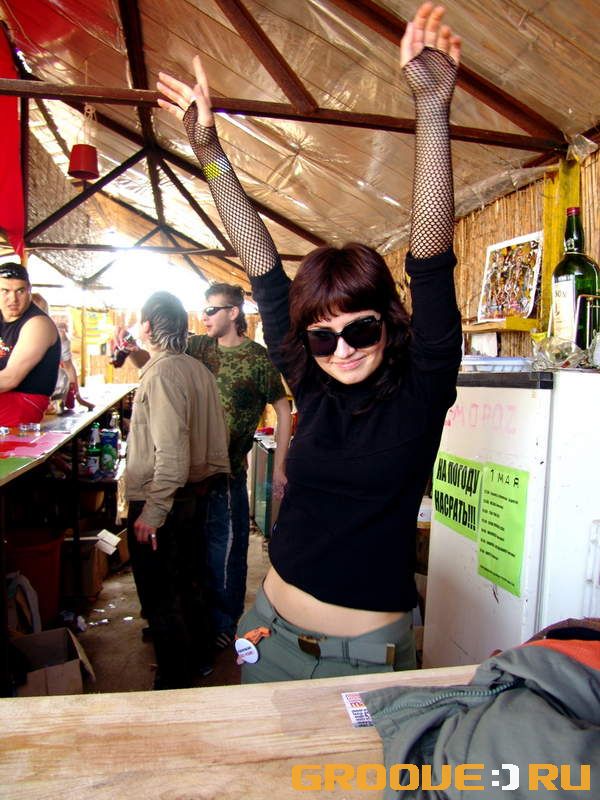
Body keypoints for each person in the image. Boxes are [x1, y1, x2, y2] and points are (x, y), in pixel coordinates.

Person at [157, 1, 462, 682]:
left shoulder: (423, 388)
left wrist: (432, 109)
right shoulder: (314, 382)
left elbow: (431, 260)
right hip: (268, 631)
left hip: (365, 658)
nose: (342, 350)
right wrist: (209, 152)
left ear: (389, 321)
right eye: (323, 339)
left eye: (361, 329)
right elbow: (262, 265)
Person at [117, 282, 292, 651]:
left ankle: (223, 625)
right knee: (191, 558)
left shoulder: (256, 359)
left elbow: (282, 408)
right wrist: (132, 351)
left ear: (233, 313)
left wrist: (280, 465)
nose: (205, 316)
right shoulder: (196, 348)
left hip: (226, 472)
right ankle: (185, 624)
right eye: (203, 309)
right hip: (188, 475)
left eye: (212, 310)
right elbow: (158, 364)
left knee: (225, 552)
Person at [125, 290, 230, 689]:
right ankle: (200, 657)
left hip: (162, 499)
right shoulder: (195, 369)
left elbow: (171, 452)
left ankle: (173, 681)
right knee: (189, 582)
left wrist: (152, 513)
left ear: (148, 327)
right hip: (190, 495)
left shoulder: (163, 375)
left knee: (161, 595)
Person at [0, 263, 61, 425]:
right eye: (5, 291)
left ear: (29, 290)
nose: (13, 299)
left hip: (25, 400)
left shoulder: (38, 324)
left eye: (20, 291)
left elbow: (10, 379)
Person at [31, 294, 94, 411]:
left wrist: (78, 397)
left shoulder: (58, 335)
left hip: (53, 390)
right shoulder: (14, 334)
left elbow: (68, 366)